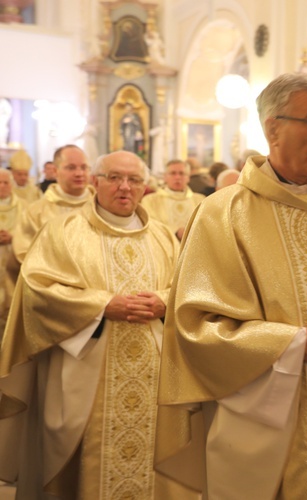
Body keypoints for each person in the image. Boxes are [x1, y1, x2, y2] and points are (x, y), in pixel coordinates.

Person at [156, 72, 307, 499]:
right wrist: (296, 343)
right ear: (272, 127)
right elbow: (196, 325)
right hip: (271, 427)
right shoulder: (223, 215)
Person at [0, 151, 190, 498]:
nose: (124, 188)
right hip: (85, 373)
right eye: (114, 177)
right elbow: (38, 289)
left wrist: (164, 300)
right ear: (95, 182)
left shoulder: (164, 237)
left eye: (134, 180)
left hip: (155, 376)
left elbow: (189, 288)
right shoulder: (64, 232)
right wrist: (101, 305)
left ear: (145, 187)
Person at [12, 144, 94, 263]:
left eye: (84, 167)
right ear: (55, 171)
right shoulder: (35, 212)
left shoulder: (102, 207)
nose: (79, 173)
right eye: (71, 167)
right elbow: (25, 254)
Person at [141, 159, 206, 240]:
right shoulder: (150, 200)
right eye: (173, 173)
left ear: (188, 177)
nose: (177, 177)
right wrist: (176, 232)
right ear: (165, 177)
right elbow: (150, 226)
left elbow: (206, 226)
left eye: (181, 173)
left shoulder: (201, 200)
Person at [0, 169, 25, 327]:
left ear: (11, 184)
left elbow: (31, 233)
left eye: (5, 182)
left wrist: (14, 237)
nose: (2, 186)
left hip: (14, 269)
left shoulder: (25, 207)